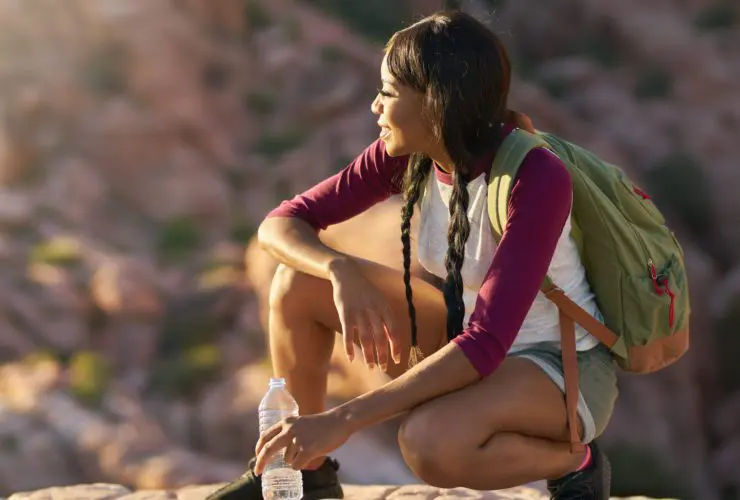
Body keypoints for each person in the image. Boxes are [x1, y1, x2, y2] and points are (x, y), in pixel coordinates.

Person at [208, 9, 617, 500]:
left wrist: (340, 420)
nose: (375, 108)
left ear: (436, 101)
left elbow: (487, 343)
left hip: (556, 363)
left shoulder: (535, 178)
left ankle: (577, 461)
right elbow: (281, 223)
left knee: (428, 445)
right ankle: (307, 477)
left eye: (388, 92)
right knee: (297, 283)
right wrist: (338, 268)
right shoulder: (409, 153)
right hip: (467, 335)